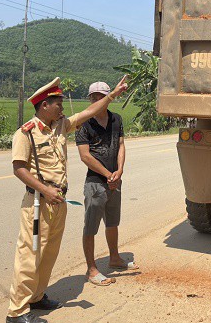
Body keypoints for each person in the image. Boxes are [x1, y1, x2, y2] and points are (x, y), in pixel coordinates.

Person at [7, 76, 128, 323]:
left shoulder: (60, 126)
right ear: (44, 105)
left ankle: (37, 297)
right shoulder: (25, 134)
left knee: (49, 253)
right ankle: (17, 312)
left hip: (57, 200)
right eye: (58, 103)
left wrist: (113, 94)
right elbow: (19, 168)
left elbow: (90, 111)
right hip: (39, 202)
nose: (62, 108)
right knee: (30, 255)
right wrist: (45, 190)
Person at [76, 81, 138, 287]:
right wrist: (108, 175)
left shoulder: (116, 120)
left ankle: (114, 258)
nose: (97, 100)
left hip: (115, 180)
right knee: (90, 227)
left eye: (100, 96)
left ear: (107, 98)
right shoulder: (83, 124)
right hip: (95, 183)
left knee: (113, 222)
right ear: (89, 99)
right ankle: (91, 268)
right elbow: (85, 156)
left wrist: (119, 171)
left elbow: (121, 145)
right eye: (93, 97)